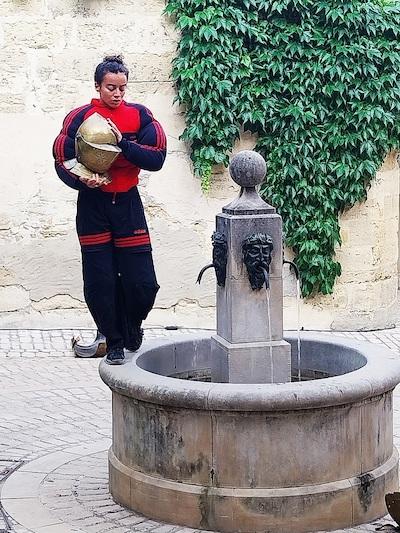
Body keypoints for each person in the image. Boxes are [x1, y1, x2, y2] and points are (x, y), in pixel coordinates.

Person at [53, 55, 166, 365]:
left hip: (128, 204)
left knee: (143, 283)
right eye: (110, 88)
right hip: (93, 206)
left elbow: (157, 157)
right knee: (100, 280)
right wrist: (81, 181)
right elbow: (61, 159)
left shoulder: (140, 115)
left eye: (122, 88)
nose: (117, 94)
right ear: (98, 86)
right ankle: (114, 342)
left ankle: (132, 326)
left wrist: (123, 144)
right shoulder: (80, 116)